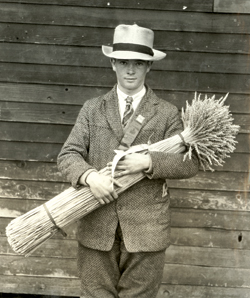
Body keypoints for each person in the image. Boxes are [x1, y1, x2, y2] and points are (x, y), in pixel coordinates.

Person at [57, 24, 199, 298]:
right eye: (123, 62)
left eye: (138, 63)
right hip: (97, 226)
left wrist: (148, 163)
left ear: (149, 67)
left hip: (146, 231)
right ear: (113, 64)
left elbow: (189, 163)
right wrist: (90, 177)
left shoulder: (167, 114)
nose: (130, 70)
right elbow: (68, 155)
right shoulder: (92, 109)